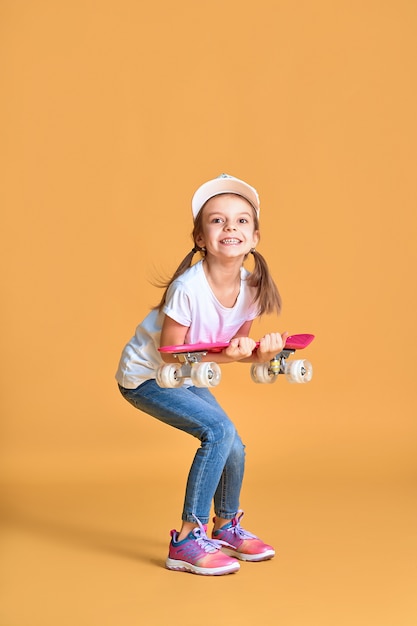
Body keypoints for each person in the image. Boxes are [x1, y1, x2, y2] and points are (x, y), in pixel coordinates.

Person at [116, 173, 287, 576]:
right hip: (147, 377)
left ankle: (226, 526)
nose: (231, 227)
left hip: (188, 375)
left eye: (242, 220)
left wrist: (263, 353)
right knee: (218, 432)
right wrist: (231, 354)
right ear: (199, 237)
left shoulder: (253, 289)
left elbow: (234, 349)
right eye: (218, 220)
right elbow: (172, 356)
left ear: (255, 237)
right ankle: (188, 539)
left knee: (234, 444)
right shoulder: (187, 288)